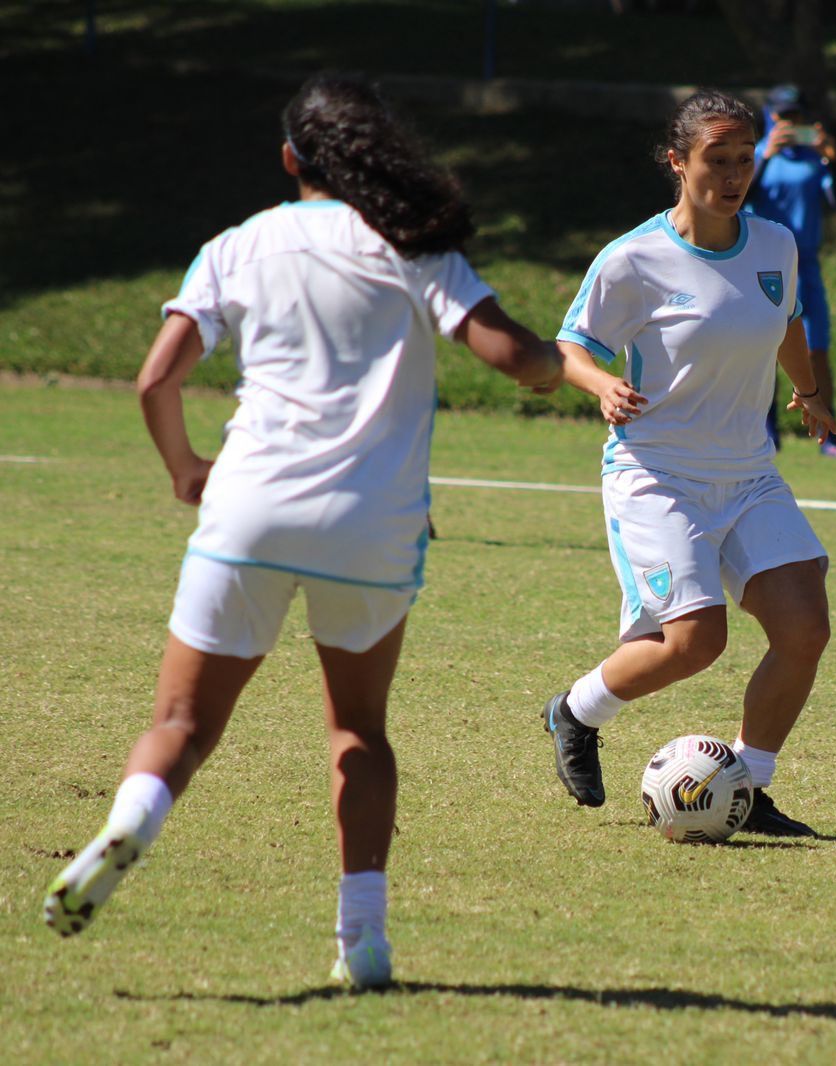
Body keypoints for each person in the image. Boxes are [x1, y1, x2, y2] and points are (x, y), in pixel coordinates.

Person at [41, 74, 563, 988]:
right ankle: (362, 939)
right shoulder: (412, 244)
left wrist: (185, 471)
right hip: (373, 525)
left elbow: (155, 380)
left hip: (247, 507)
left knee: (180, 722)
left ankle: (131, 822)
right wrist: (569, 364)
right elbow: (519, 361)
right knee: (357, 728)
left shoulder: (238, 245)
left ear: (291, 160)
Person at [546, 89, 836, 837]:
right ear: (678, 163)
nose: (734, 175)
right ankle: (575, 712)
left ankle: (750, 785)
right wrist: (602, 382)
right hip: (657, 473)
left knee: (805, 628)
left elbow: (788, 323)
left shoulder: (774, 245)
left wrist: (809, 393)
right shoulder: (633, 259)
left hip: (749, 473)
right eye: (718, 159)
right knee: (694, 642)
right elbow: (570, 347)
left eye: (744, 160)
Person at [745, 84, 836, 460]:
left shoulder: (814, 160)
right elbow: (738, 197)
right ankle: (766, 433)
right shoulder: (755, 156)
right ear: (770, 116)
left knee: (816, 348)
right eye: (782, 115)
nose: (789, 123)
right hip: (762, 265)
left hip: (804, 266)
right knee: (763, 348)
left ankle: (831, 437)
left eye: (795, 116)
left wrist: (834, 160)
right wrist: (764, 156)